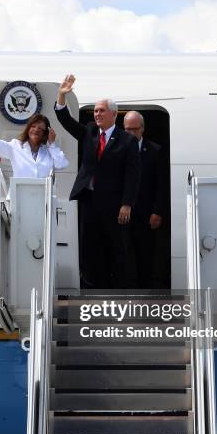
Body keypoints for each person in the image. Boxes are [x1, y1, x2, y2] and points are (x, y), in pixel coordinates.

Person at [54, 74, 140, 289]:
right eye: (95, 111)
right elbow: (66, 121)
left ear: (114, 114)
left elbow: (133, 174)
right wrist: (61, 96)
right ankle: (92, 286)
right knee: (89, 245)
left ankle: (121, 289)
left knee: (117, 246)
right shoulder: (90, 132)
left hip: (114, 204)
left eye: (101, 110)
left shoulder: (127, 140)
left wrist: (127, 204)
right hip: (89, 200)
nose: (97, 114)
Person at [123, 110, 164, 288]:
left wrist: (158, 211)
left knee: (145, 254)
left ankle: (146, 291)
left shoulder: (155, 151)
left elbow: (162, 184)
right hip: (121, 213)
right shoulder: (115, 149)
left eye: (135, 129)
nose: (131, 133)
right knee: (123, 254)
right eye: (127, 130)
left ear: (143, 129)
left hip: (146, 213)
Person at [0, 109, 69, 177]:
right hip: (19, 198)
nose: (36, 130)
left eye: (40, 128)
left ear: (45, 133)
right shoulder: (16, 146)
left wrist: (52, 143)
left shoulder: (49, 152)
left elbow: (62, 164)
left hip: (43, 201)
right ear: (28, 129)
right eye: (33, 126)